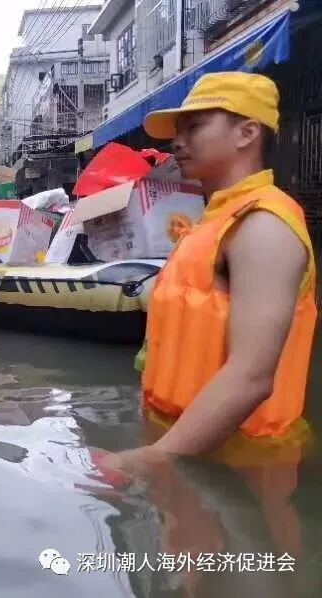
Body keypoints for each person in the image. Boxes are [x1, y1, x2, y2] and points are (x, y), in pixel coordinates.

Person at [103, 72, 317, 473]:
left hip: (243, 467)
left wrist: (149, 458)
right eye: (178, 131)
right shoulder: (213, 221)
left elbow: (251, 377)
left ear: (247, 133)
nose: (177, 142)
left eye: (195, 127)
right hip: (187, 451)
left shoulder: (263, 226)